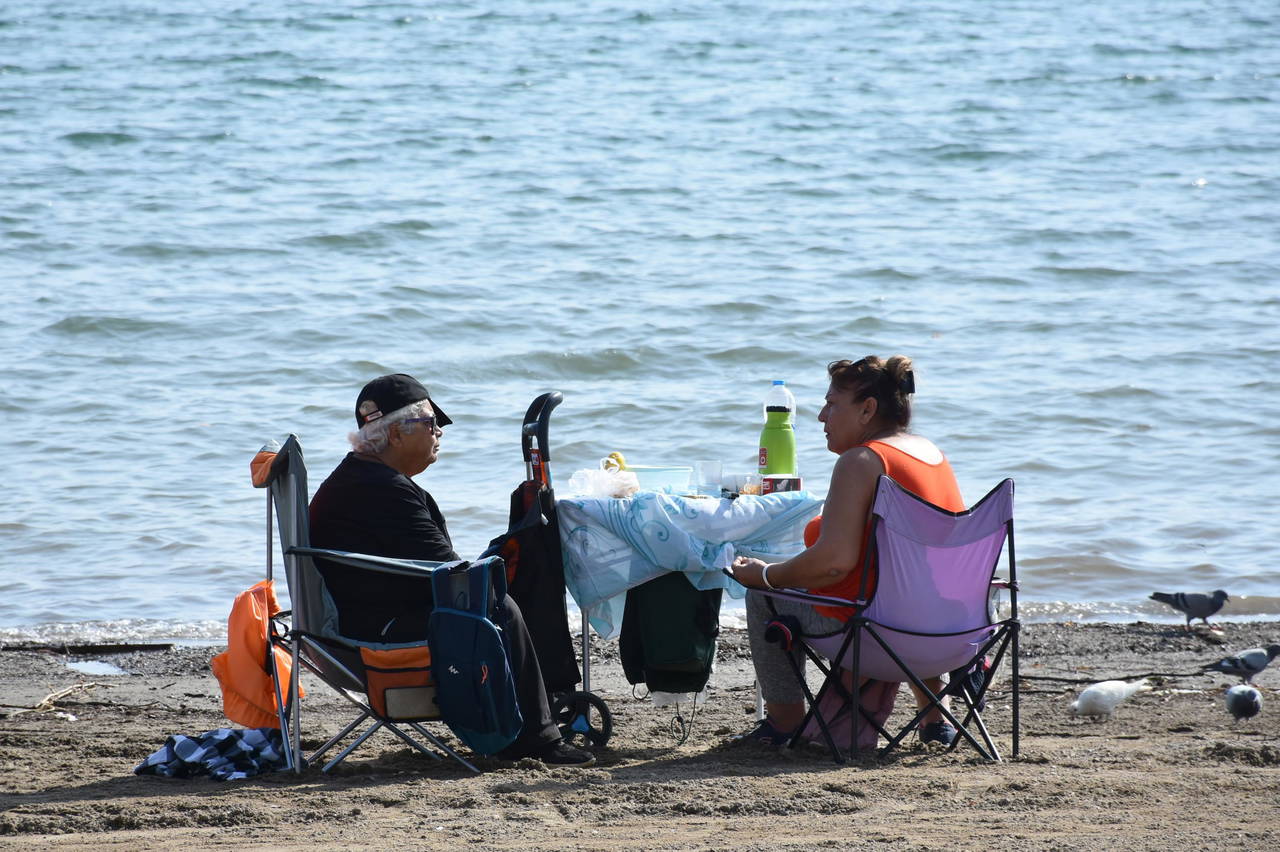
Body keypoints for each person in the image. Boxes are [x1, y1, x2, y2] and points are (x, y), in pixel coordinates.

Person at [308, 373, 594, 767]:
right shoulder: (383, 490)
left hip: (363, 618)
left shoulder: (364, 478)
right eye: (430, 422)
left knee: (505, 586)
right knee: (499, 607)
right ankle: (535, 741)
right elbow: (448, 574)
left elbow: (433, 565)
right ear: (395, 434)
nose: (439, 430)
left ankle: (528, 721)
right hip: (377, 630)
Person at [730, 355, 966, 747]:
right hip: (948, 633)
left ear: (868, 409)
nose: (822, 416)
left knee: (762, 596)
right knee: (910, 587)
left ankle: (784, 723)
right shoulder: (930, 453)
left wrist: (766, 576)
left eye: (831, 404)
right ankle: (934, 719)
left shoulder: (862, 461)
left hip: (877, 635)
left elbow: (835, 565)